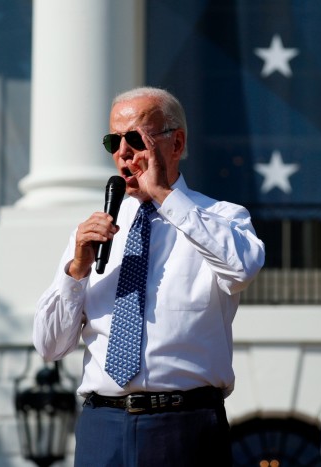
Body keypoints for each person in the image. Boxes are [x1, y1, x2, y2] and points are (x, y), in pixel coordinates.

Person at [33, 86, 265, 466]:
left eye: (135, 138)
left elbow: (240, 269)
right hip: (101, 426)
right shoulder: (95, 230)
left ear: (177, 143)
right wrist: (76, 271)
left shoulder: (222, 217)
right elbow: (49, 346)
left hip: (184, 426)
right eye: (114, 140)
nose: (123, 152)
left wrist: (163, 194)